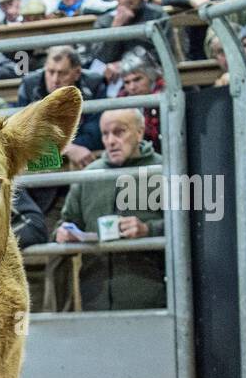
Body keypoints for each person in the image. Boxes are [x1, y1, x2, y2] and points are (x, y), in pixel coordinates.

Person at [52, 109, 165, 310]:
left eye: (119, 132)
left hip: (151, 298)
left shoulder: (164, 169)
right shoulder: (88, 176)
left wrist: (148, 230)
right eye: (105, 134)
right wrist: (62, 234)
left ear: (139, 133)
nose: (111, 141)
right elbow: (66, 222)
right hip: (96, 299)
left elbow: (188, 228)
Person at [17, 45, 105, 163]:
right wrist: (67, 149)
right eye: (50, 72)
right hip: (44, 162)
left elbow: (95, 134)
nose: (55, 80)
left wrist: (55, 147)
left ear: (77, 73)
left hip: (85, 156)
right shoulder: (29, 85)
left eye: (62, 73)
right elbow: (26, 138)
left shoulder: (94, 84)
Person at [89, 0, 168, 82]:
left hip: (152, 75)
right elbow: (102, 57)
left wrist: (126, 64)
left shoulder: (157, 15)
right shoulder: (104, 20)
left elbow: (166, 52)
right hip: (116, 80)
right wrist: (115, 27)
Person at [118, 53, 163, 145]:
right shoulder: (121, 99)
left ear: (151, 75)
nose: (132, 87)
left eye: (137, 79)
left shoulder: (165, 93)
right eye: (127, 82)